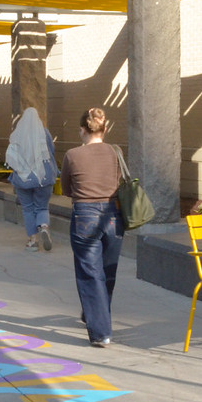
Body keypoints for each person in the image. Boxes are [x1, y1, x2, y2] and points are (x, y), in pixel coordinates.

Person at [60, 107, 123, 348]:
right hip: (113, 214)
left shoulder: (72, 155)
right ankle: (95, 312)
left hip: (85, 214)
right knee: (108, 270)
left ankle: (100, 332)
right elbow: (119, 182)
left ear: (81, 130)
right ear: (104, 129)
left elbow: (66, 188)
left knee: (89, 272)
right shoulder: (116, 152)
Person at [5, 107, 58, 252]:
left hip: (23, 178)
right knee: (41, 206)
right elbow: (51, 150)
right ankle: (44, 227)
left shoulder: (17, 134)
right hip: (43, 177)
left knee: (28, 209)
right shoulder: (44, 132)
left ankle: (33, 241)